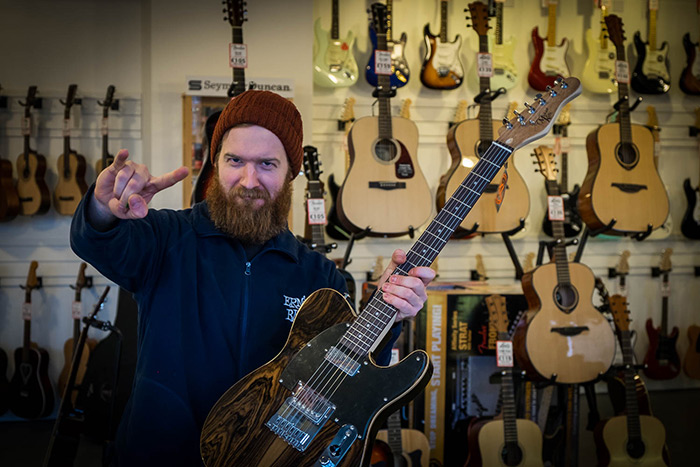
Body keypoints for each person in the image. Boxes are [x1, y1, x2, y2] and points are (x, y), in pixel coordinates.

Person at [69, 90, 436, 466]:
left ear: (290, 173)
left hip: (268, 459)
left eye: (266, 163)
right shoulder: (164, 239)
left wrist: (390, 313)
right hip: (157, 455)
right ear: (215, 164)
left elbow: (344, 381)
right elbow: (96, 241)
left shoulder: (319, 275)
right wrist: (101, 207)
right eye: (234, 160)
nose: (248, 180)